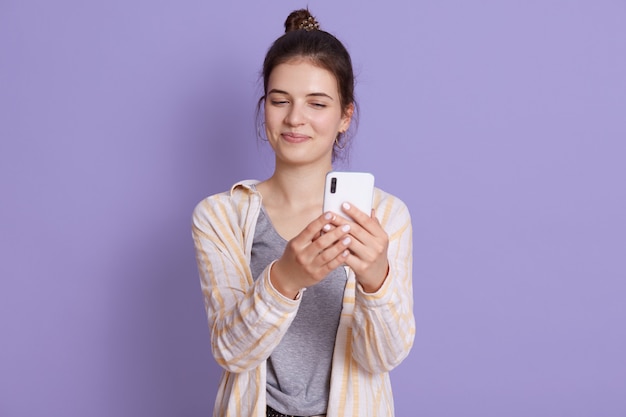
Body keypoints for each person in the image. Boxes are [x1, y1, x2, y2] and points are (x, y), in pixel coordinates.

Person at [192, 8, 415, 417]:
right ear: (265, 108)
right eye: (280, 101)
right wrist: (286, 279)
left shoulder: (384, 216)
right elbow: (230, 352)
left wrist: (375, 281)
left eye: (317, 103)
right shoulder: (220, 216)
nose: (295, 118)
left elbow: (383, 358)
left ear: (345, 115)